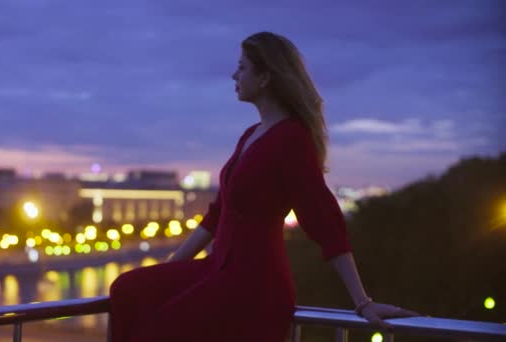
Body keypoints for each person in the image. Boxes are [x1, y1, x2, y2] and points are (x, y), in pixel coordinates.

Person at [108, 31, 418, 342]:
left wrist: (362, 301)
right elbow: (216, 216)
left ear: (266, 77)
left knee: (158, 330)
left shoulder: (291, 139)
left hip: (253, 283)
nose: (234, 75)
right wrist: (170, 272)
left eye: (242, 67)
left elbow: (323, 220)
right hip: (218, 269)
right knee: (126, 290)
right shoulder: (250, 134)